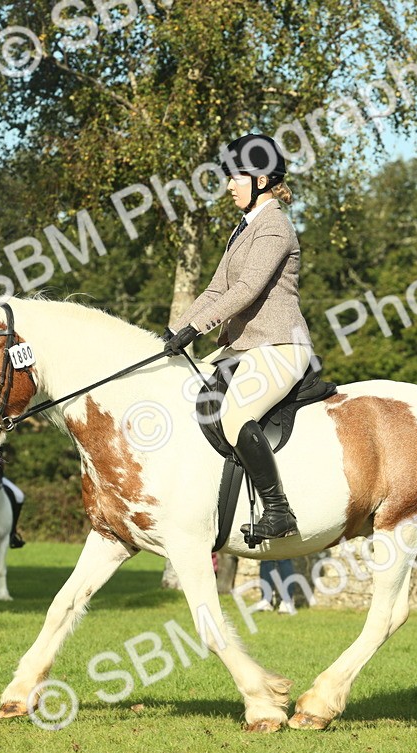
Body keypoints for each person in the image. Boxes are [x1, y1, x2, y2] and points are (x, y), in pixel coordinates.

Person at [163, 134, 313, 543]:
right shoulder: (244, 228)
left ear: (261, 180)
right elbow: (215, 291)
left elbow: (246, 289)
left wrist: (197, 329)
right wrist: (175, 330)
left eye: (236, 176)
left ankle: (279, 511)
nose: (228, 185)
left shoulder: (275, 227)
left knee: (232, 417)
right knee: (179, 393)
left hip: (279, 346)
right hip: (242, 349)